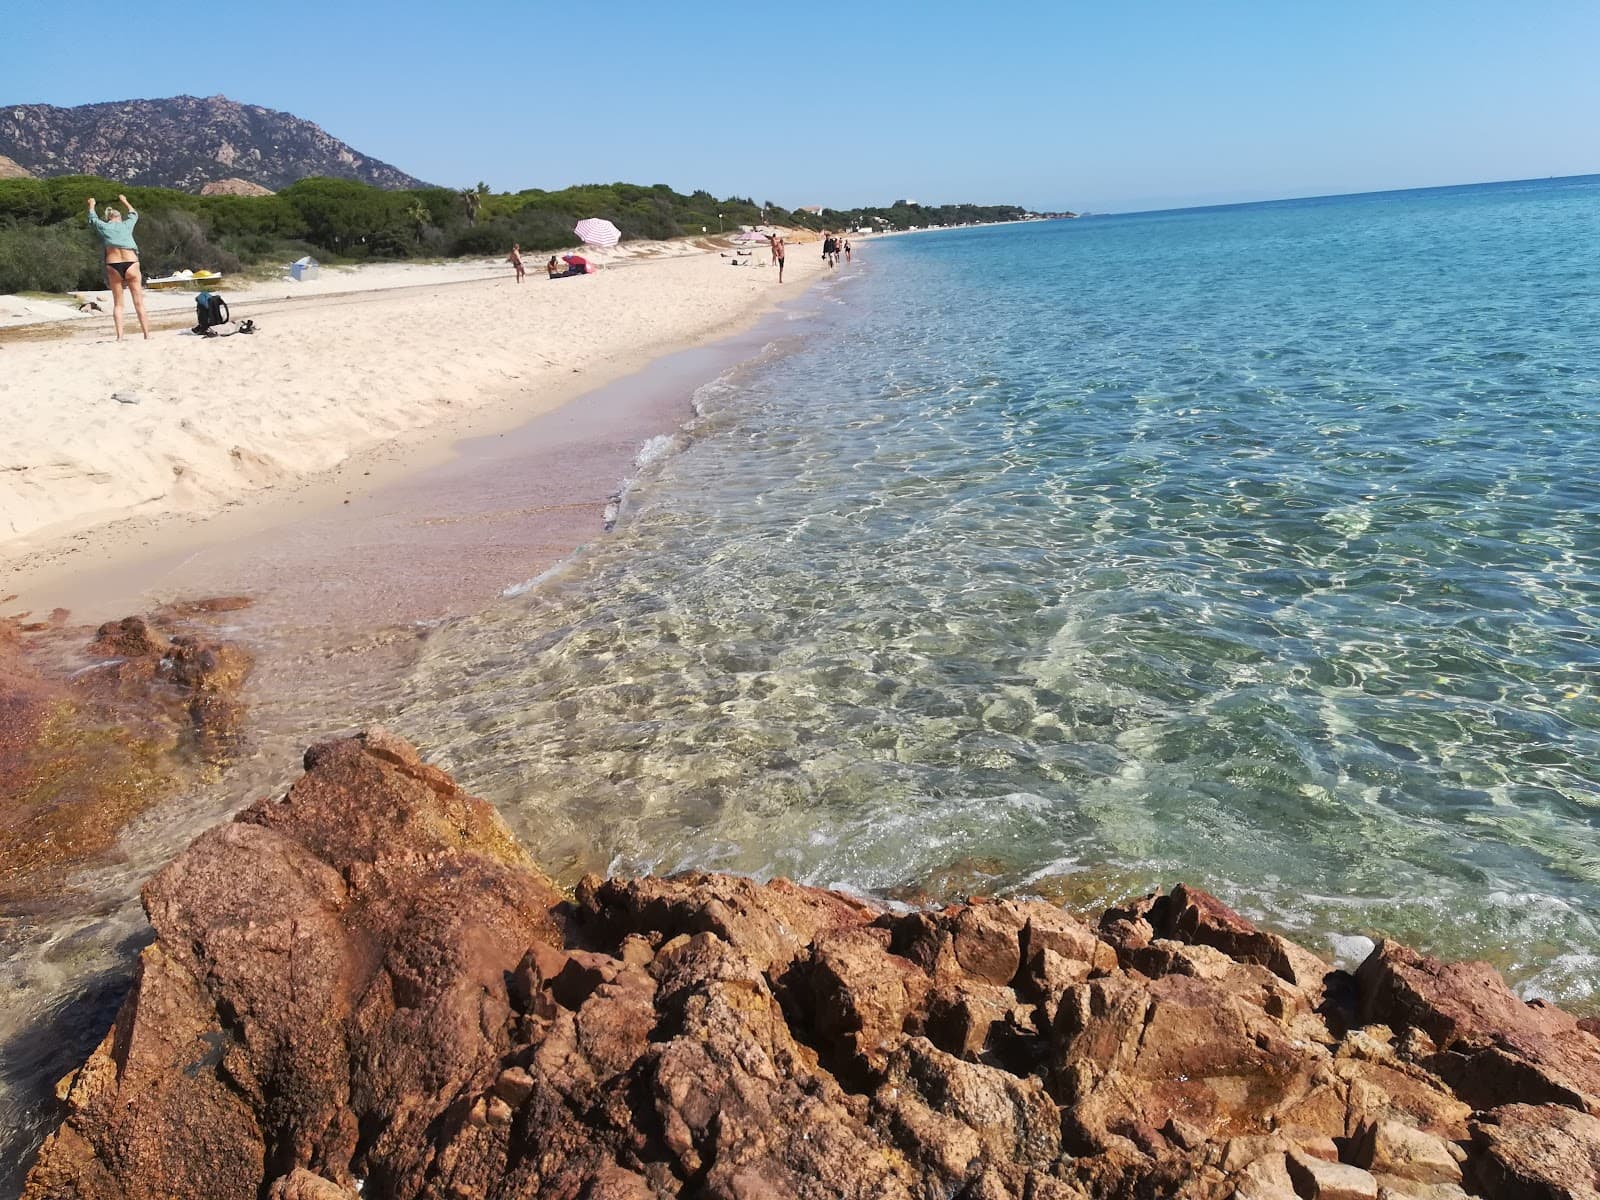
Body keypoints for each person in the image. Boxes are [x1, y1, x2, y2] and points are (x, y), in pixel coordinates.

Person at [85, 194, 149, 341]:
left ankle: (120, 337)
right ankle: (146, 334)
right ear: (119, 217)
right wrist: (124, 201)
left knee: (118, 304)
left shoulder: (104, 226)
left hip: (113, 265)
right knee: (138, 302)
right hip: (131, 262)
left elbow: (93, 219)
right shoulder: (126, 225)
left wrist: (91, 205)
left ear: (108, 218)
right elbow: (134, 213)